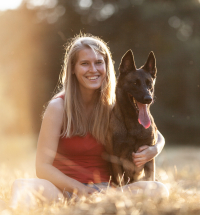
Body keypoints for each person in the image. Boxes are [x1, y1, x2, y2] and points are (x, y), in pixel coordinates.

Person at [7, 34, 168, 210]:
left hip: (108, 193)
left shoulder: (114, 106)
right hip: (62, 191)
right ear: (73, 68)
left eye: (99, 62)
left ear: (107, 66)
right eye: (85, 63)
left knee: (158, 189)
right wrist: (80, 189)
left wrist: (154, 149)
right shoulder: (58, 107)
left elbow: (155, 133)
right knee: (23, 186)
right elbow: (42, 167)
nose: (93, 69)